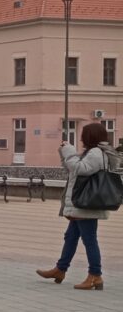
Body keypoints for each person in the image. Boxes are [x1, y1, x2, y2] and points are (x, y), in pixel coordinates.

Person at [38, 122, 119, 291]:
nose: (81, 137)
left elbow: (80, 169)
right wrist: (66, 154)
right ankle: (60, 269)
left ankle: (95, 275)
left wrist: (69, 151)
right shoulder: (95, 152)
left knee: (89, 240)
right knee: (71, 237)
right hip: (83, 204)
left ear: (90, 136)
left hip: (86, 203)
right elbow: (72, 168)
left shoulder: (96, 152)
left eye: (84, 134)